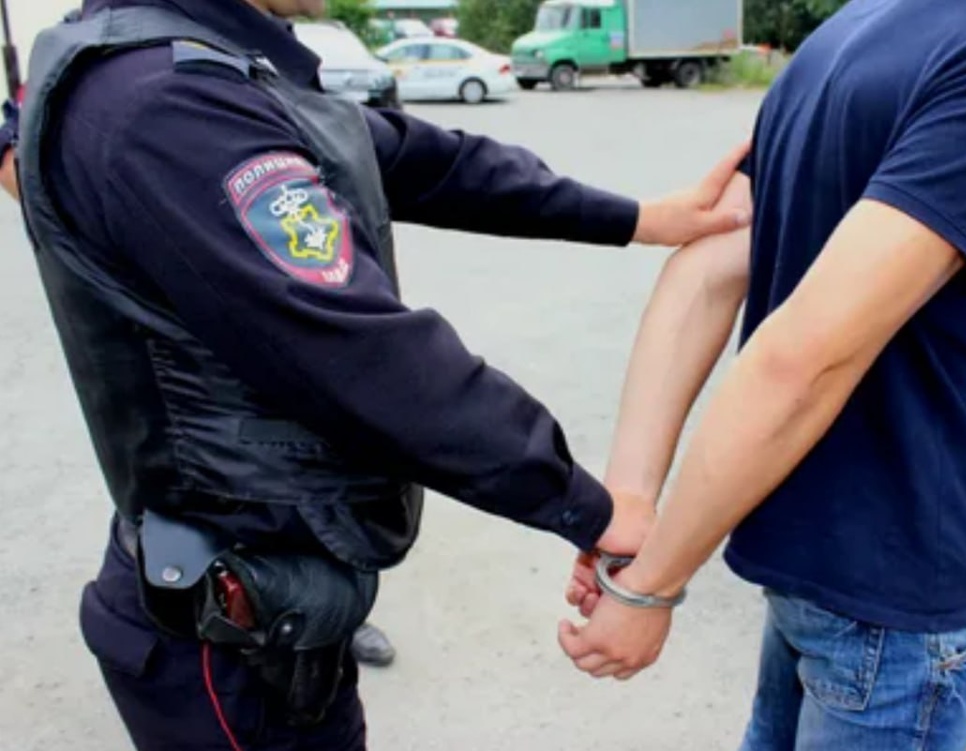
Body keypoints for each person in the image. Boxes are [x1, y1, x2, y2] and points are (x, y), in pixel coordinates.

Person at [14, 1, 747, 749]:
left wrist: (638, 218)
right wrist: (585, 506)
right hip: (233, 640)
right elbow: (366, 357)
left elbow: (424, 162)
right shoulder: (167, 106)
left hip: (274, 599)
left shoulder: (194, 64)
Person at [560, 0, 966, 749]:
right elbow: (805, 359)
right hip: (898, 579)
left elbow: (708, 268)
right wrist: (648, 584)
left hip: (810, 566)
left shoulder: (850, 29)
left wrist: (631, 499)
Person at [0, 33, 394, 674]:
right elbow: (24, 153)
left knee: (304, 476)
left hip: (257, 311)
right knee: (209, 489)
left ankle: (318, 611)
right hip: (177, 330)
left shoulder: (243, 46)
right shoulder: (112, 65)